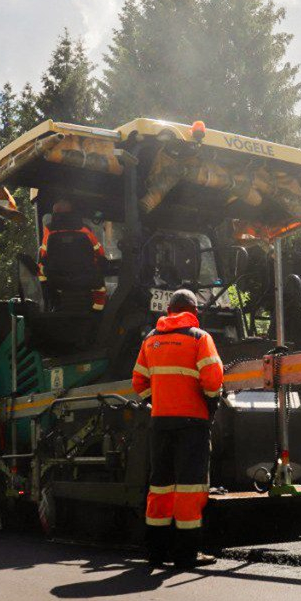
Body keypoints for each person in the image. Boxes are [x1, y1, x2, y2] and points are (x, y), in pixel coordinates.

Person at [131, 289, 224, 569]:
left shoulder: (151, 339)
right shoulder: (200, 338)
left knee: (160, 487)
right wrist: (211, 404)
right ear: (193, 311)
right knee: (189, 488)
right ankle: (187, 554)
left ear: (169, 311)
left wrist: (157, 401)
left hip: (160, 422)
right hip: (191, 423)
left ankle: (156, 552)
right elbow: (212, 379)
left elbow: (139, 382)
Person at [37, 199, 108, 313]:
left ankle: (53, 306)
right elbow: (100, 255)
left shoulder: (49, 232)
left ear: (55, 214)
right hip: (87, 281)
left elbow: (43, 258)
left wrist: (45, 285)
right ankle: (98, 312)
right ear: (72, 212)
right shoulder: (86, 231)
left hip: (57, 283)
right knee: (100, 285)